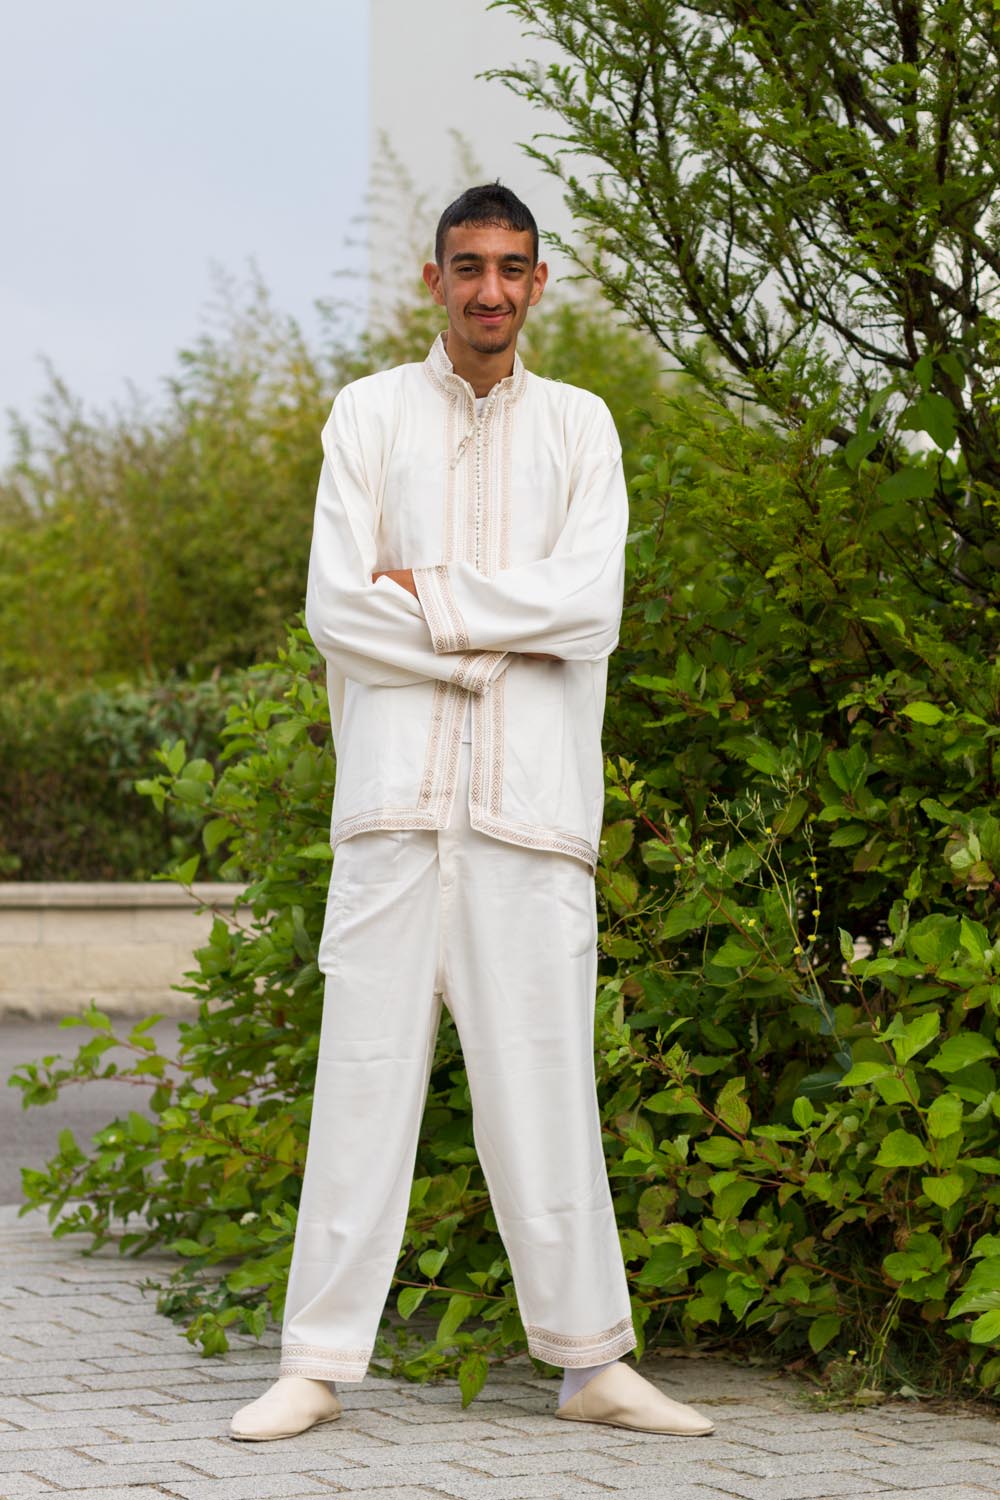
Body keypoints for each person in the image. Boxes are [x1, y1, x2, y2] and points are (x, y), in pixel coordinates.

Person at [229, 184, 714, 1443]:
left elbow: (591, 607)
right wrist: (498, 635)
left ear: (539, 282)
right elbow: (338, 607)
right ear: (432, 277)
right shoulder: (368, 415)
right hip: (393, 811)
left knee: (544, 1089)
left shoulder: (581, 425)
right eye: (468, 267)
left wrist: (431, 606)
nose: (489, 289)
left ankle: (591, 1363)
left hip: (529, 813)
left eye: (511, 268)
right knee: (362, 1084)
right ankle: (316, 1363)